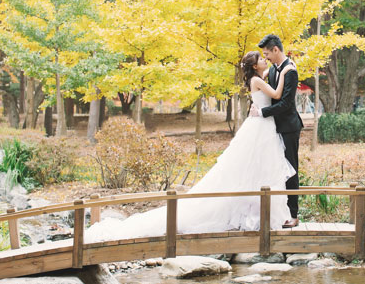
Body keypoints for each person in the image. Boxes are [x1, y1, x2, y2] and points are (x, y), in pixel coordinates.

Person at [85, 51, 296, 242]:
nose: (264, 60)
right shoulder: (258, 80)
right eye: (261, 58)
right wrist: (286, 71)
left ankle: (255, 213)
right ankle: (253, 212)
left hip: (262, 126)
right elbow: (277, 95)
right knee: (254, 168)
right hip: (260, 126)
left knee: (258, 169)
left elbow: (270, 69)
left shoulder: (256, 76)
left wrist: (281, 65)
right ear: (254, 66)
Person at [250, 34, 303, 228]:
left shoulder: (290, 70)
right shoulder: (272, 71)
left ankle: (294, 215)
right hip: (271, 129)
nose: (266, 57)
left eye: (267, 54)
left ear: (276, 50)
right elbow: (269, 95)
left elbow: (286, 103)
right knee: (273, 170)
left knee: (291, 170)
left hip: (288, 128)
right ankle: (277, 212)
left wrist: (262, 112)